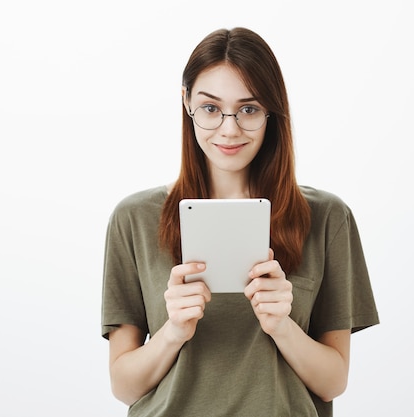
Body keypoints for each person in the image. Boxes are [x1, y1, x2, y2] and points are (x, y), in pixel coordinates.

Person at [101, 27, 379, 417]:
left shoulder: (328, 217)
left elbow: (333, 382)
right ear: (187, 103)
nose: (229, 129)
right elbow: (124, 386)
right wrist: (173, 332)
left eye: (248, 109)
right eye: (211, 108)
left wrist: (283, 325)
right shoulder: (133, 218)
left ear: (271, 111)